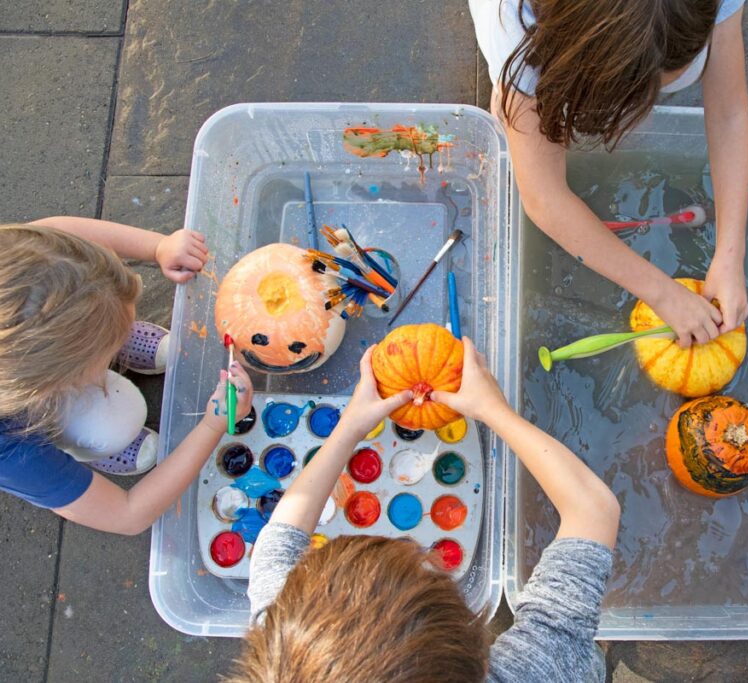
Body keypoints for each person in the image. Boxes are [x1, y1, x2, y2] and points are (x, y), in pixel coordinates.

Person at [226, 339, 621, 682]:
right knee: (575, 646)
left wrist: (348, 428)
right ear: (480, 660)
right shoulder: (535, 670)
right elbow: (593, 508)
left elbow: (276, 542)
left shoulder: (287, 645)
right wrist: (495, 411)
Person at [469, 0, 748, 346]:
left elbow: (729, 115)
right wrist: (662, 293)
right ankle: (522, 102)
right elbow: (544, 198)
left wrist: (730, 255)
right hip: (535, 42)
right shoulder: (513, 28)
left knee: (691, 65)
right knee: (530, 105)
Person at [0, 219, 254, 534]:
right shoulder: (12, 452)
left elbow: (60, 240)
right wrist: (214, 423)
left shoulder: (13, 264)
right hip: (27, 403)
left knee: (85, 290)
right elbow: (127, 515)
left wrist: (158, 246)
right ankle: (91, 443)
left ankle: (103, 322)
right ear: (53, 382)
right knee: (118, 423)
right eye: (111, 344)